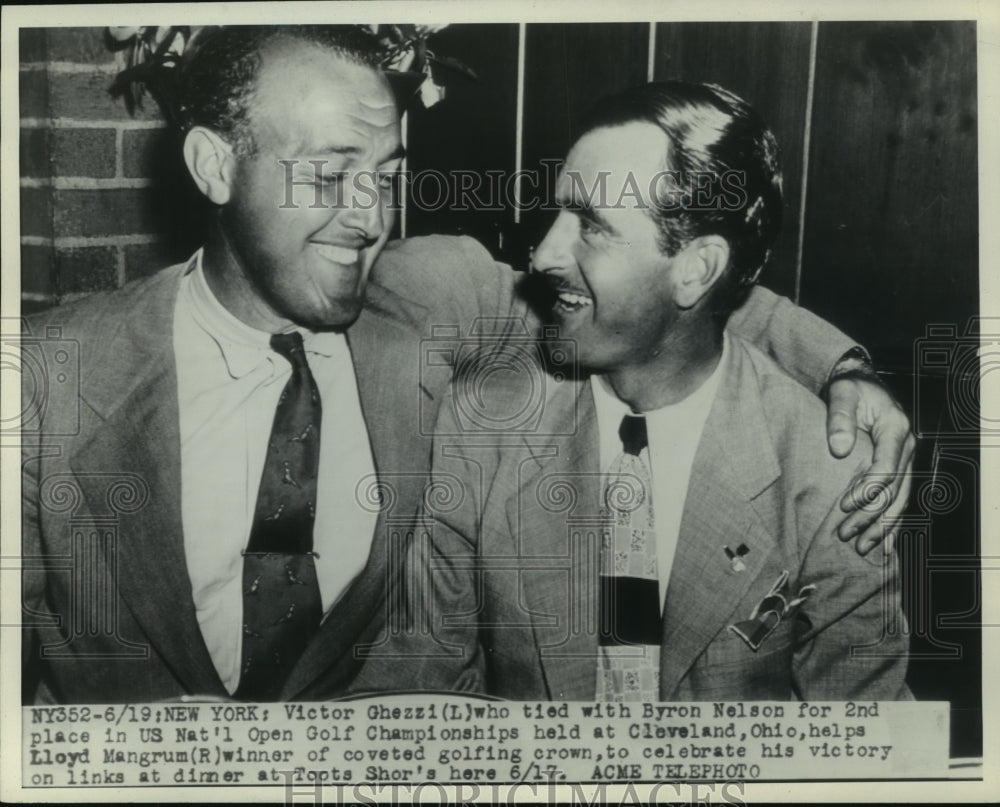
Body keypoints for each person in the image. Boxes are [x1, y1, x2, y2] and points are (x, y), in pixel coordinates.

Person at [21, 27, 909, 704]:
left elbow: (657, 299)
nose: (368, 219)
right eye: (329, 177)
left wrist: (843, 371)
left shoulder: (422, 298)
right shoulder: (45, 378)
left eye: (387, 175)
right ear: (215, 165)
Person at [375, 81, 911, 701]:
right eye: (558, 214)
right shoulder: (482, 429)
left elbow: (864, 742)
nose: (544, 251)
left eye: (592, 226)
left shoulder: (828, 477)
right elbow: (419, 691)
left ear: (697, 269)